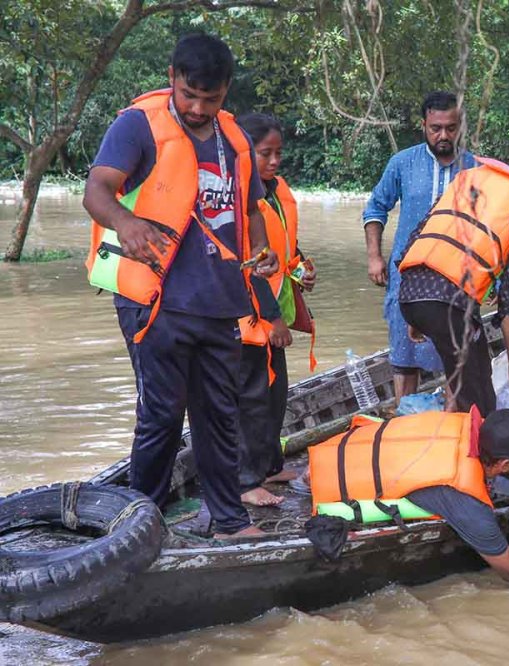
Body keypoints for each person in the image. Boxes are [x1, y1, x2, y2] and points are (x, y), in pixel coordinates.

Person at [83, 34, 278, 537]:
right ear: (172, 78)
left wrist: (261, 254)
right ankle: (136, 523)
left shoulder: (233, 139)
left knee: (219, 415)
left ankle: (229, 520)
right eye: (189, 94)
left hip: (218, 301)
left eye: (209, 100)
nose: (196, 108)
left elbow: (250, 210)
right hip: (156, 299)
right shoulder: (137, 125)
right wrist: (127, 225)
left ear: (226, 92)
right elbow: (97, 190)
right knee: (163, 417)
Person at [309, 408, 509, 593]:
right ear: (504, 465)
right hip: (329, 487)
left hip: (337, 453)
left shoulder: (467, 429)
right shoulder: (470, 506)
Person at [398, 158, 509, 415]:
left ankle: (451, 416)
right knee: (479, 404)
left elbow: (414, 243)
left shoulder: (460, 192)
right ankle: (467, 448)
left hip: (410, 296)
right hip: (446, 307)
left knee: (474, 373)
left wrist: (417, 317)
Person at [362, 91, 477, 404]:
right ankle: (403, 418)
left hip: (455, 279)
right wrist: (374, 257)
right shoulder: (403, 163)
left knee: (455, 356)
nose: (443, 135)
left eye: (450, 128)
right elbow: (375, 209)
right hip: (405, 275)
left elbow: (487, 227)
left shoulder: (474, 169)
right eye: (435, 128)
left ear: (460, 127)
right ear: (423, 125)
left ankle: (450, 425)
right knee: (403, 353)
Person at [234, 113, 318, 507]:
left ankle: (269, 465)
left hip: (277, 306)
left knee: (276, 393)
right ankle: (244, 480)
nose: (273, 161)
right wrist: (272, 318)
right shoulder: (238, 198)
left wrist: (302, 268)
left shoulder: (275, 190)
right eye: (264, 153)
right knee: (251, 397)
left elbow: (286, 246)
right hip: (253, 316)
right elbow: (247, 264)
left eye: (277, 153)